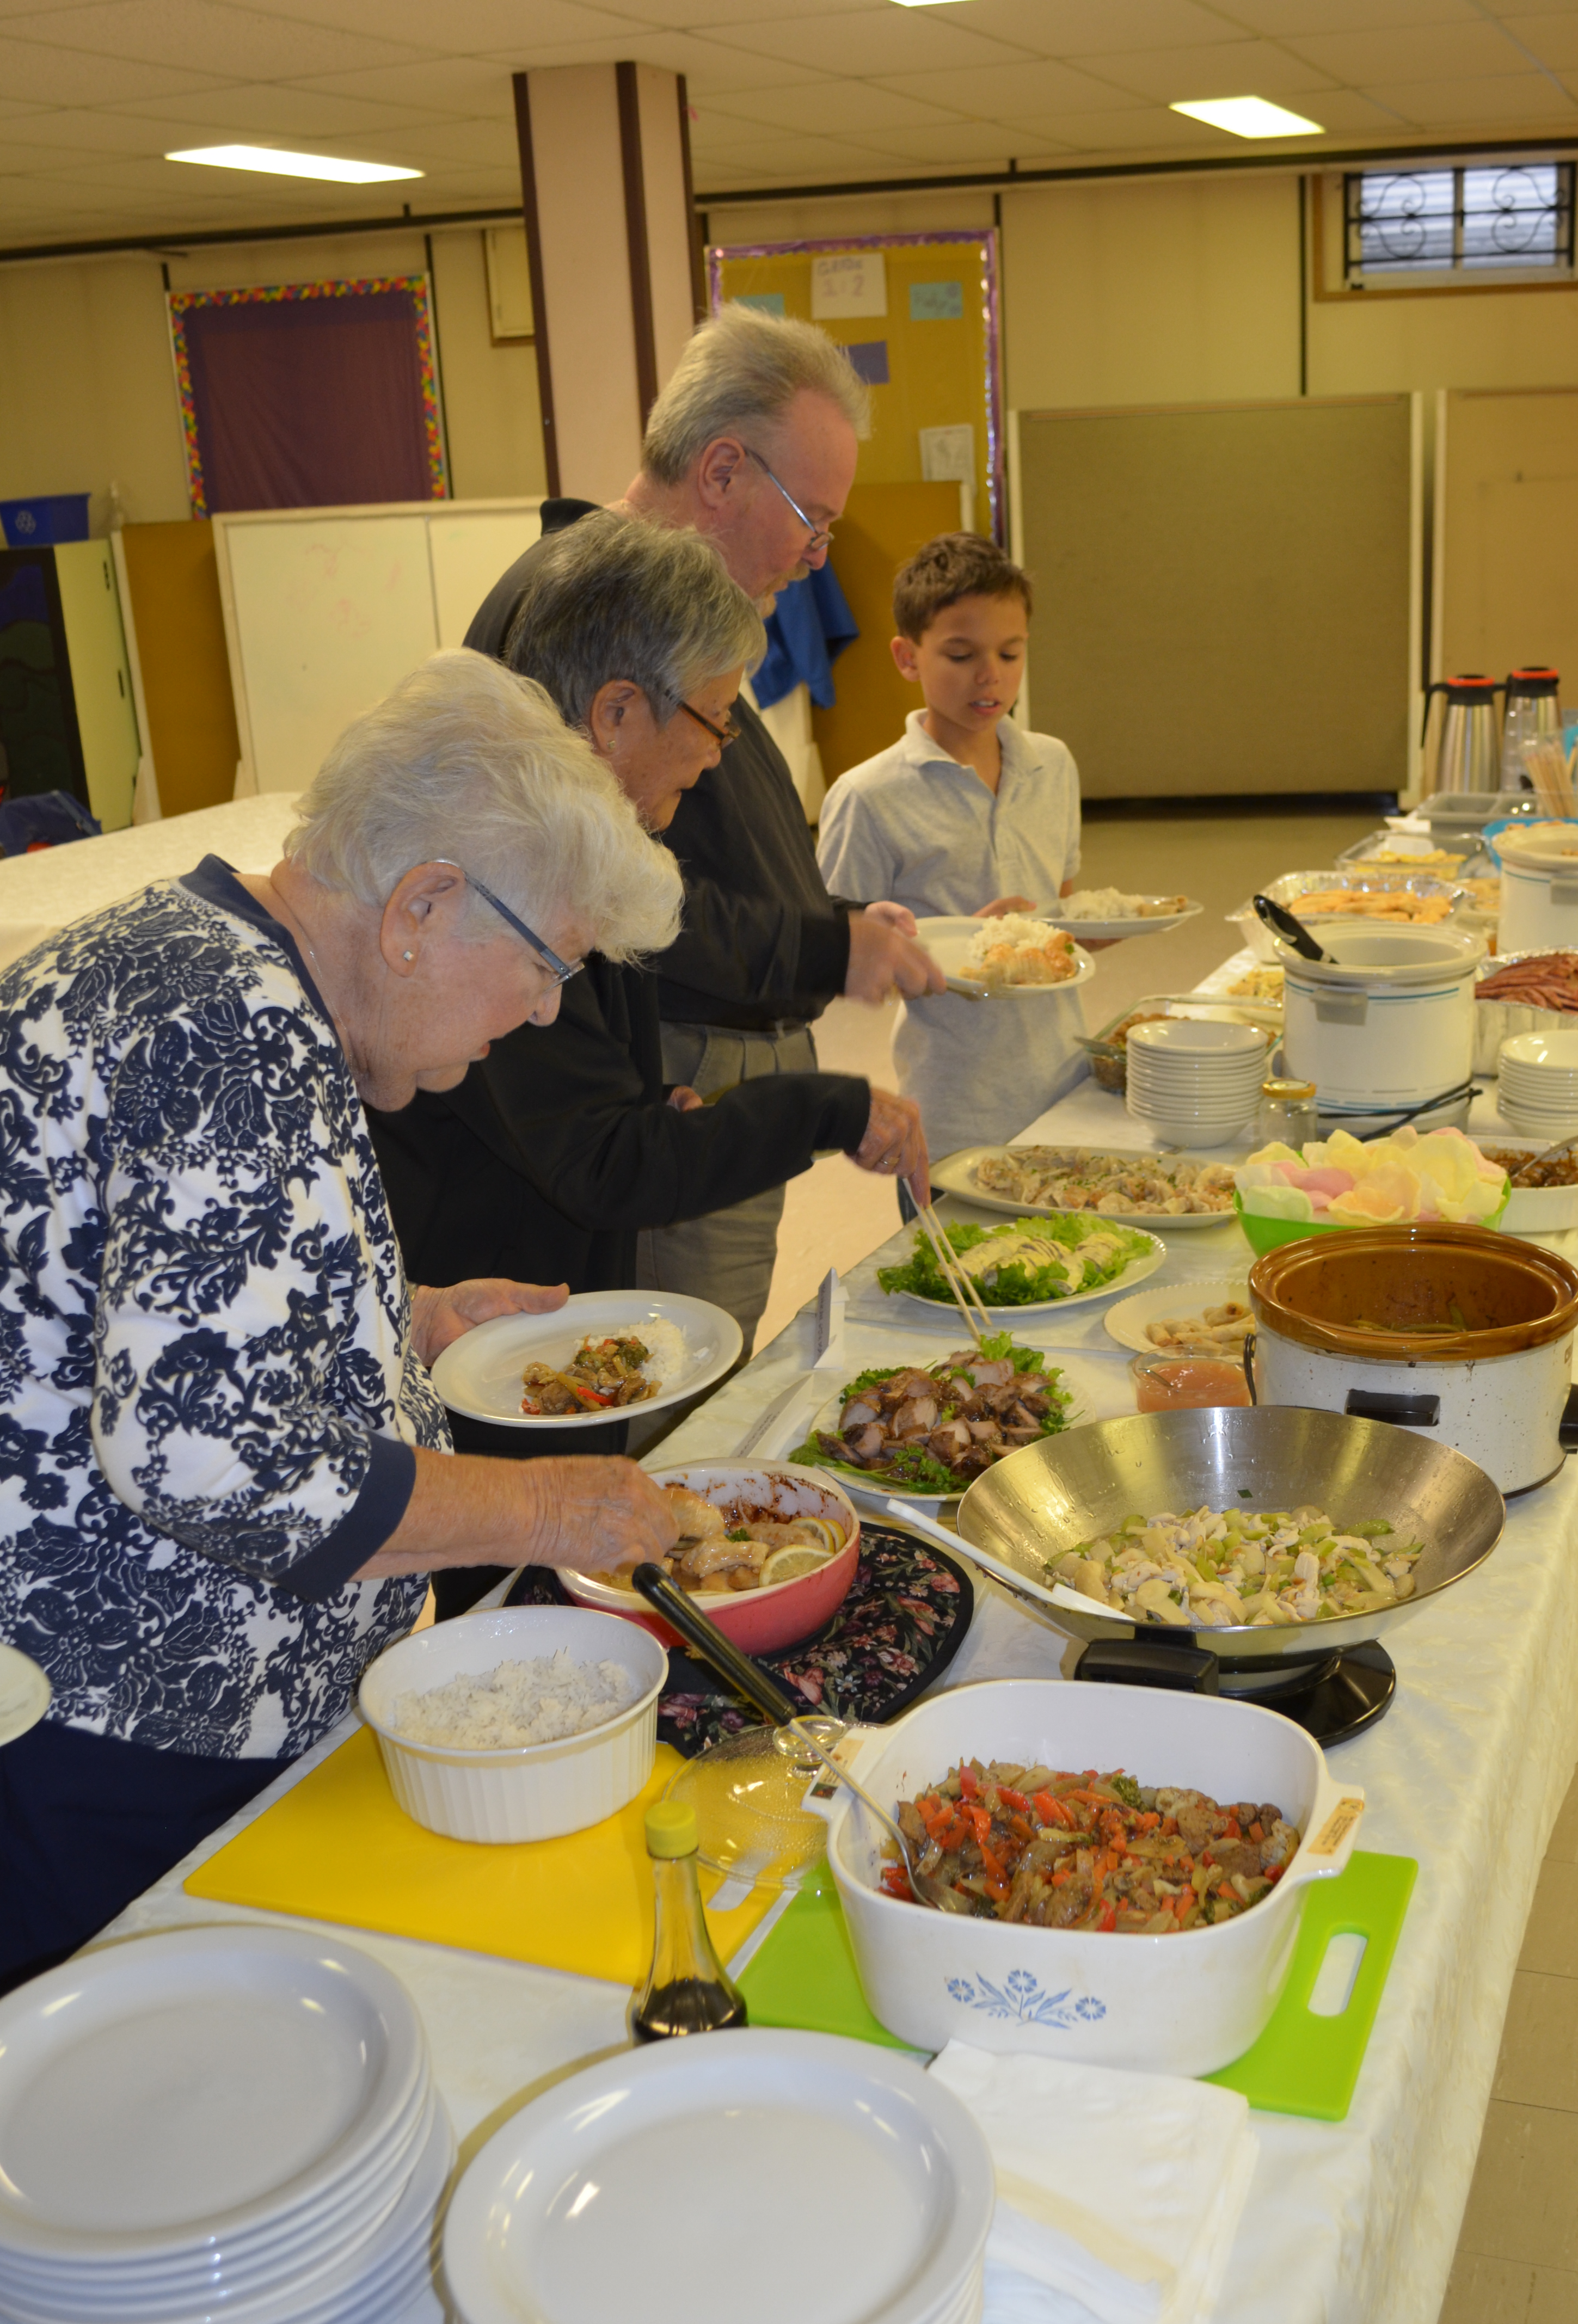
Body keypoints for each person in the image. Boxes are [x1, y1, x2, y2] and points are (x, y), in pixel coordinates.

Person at [0, 650, 685, 1987]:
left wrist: (398, 1319)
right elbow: (203, 1454)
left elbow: (148, 1300)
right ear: (423, 905)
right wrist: (547, 1511)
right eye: (545, 965)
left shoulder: (203, 958)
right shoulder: (238, 1034)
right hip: (121, 1728)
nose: (545, 1011)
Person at [464, 308, 948, 1343]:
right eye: (810, 519)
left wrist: (841, 921)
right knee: (676, 1379)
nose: (818, 556)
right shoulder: (588, 610)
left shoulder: (680, 617)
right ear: (721, 471)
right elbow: (632, 897)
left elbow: (711, 845)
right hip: (659, 1076)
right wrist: (825, 944)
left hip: (694, 1068)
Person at [371, 511, 929, 1352]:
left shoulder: (592, 844)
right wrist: (826, 1109)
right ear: (617, 712)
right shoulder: (499, 872)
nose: (718, 757)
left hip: (538, 1298)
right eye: (714, 720)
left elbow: (575, 1102)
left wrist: (638, 1098)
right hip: (480, 1338)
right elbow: (598, 1162)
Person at [816, 533, 1086, 1165]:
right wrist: (971, 944)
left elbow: (1066, 915)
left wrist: (1069, 933)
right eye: (961, 654)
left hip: (1065, 1080)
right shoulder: (868, 796)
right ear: (907, 657)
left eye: (1011, 652)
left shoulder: (1054, 764)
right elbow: (836, 965)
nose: (990, 675)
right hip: (955, 1101)